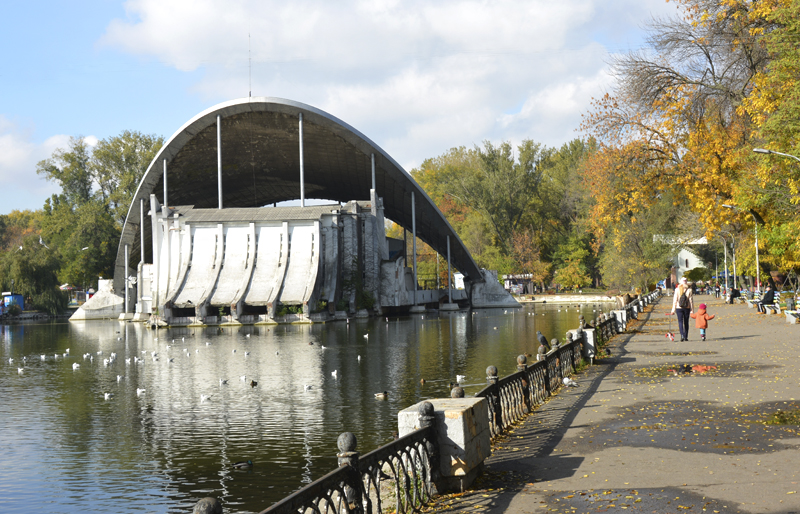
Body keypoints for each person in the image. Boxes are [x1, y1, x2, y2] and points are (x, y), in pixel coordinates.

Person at [670, 277, 694, 341]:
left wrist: (673, 310)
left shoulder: (677, 289)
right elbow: (691, 301)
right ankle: (686, 336)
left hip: (679, 308)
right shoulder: (689, 290)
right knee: (686, 322)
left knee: (680, 322)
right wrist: (692, 311)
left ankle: (682, 335)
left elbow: (675, 300)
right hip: (687, 308)